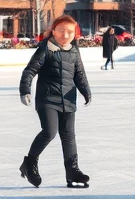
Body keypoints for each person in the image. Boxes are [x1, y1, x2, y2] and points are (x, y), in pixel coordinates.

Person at [19, 15, 92, 188]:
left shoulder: (74, 50)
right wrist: (25, 90)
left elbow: (79, 73)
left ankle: (72, 171)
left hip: (68, 98)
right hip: (47, 99)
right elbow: (29, 71)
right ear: (53, 31)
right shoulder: (45, 48)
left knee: (68, 136)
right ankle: (29, 163)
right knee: (49, 132)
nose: (65, 35)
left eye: (70, 32)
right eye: (61, 31)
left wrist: (86, 92)